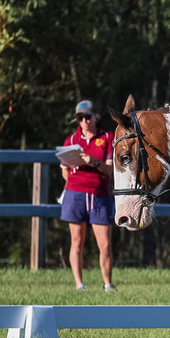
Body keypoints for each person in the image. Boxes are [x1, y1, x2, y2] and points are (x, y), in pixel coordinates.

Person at [60, 100, 116, 291]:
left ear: (95, 117)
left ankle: (108, 284)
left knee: (105, 244)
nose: (84, 121)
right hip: (75, 194)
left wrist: (93, 162)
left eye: (87, 117)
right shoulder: (71, 141)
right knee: (76, 241)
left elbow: (110, 170)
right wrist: (73, 184)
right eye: (80, 118)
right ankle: (79, 284)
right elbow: (64, 170)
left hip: (100, 195)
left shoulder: (107, 138)